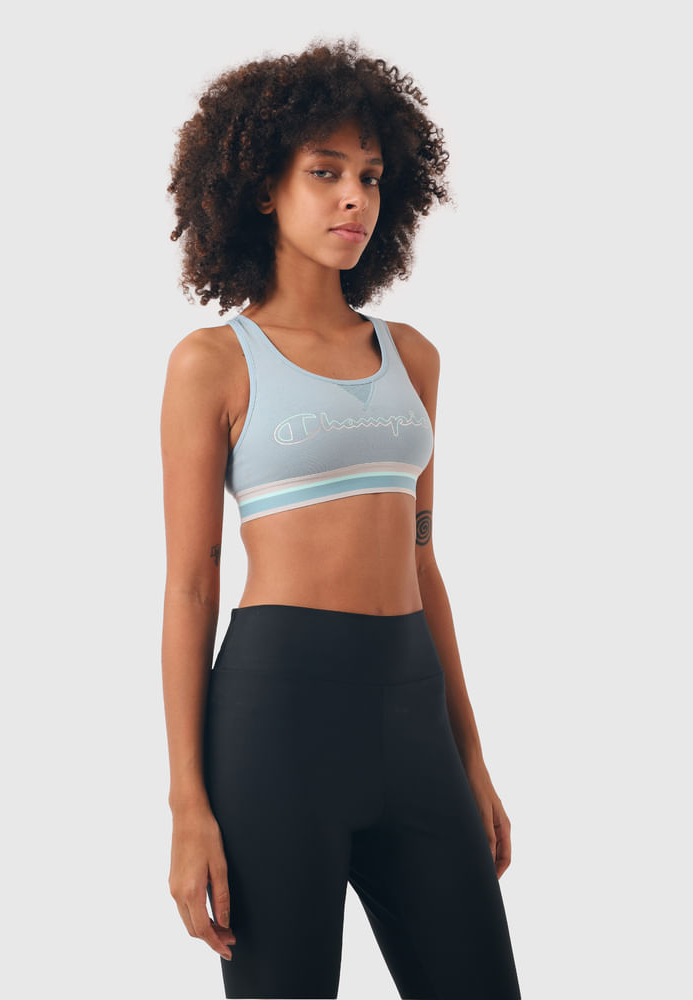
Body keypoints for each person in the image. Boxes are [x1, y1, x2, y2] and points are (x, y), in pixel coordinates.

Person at [160, 37, 522, 1000]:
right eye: (324, 173)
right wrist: (187, 804)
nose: (353, 198)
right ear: (262, 188)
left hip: (413, 715)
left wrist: (472, 758)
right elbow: (191, 585)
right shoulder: (214, 362)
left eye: (369, 175)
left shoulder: (413, 357)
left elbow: (424, 562)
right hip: (276, 722)